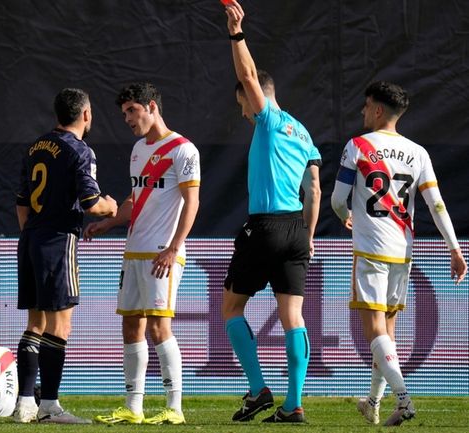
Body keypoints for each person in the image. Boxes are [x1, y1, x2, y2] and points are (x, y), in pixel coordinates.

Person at [330, 81, 467, 426]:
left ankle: (404, 399)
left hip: (370, 248)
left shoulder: (357, 146)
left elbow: (336, 199)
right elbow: (436, 205)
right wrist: (454, 248)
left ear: (378, 110)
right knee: (387, 331)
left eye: (365, 105)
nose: (362, 111)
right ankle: (373, 402)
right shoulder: (418, 152)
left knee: (373, 331)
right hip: (403, 251)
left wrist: (346, 216)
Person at [219, 1, 322, 424]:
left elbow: (245, 73)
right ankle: (293, 405)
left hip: (265, 226)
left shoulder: (270, 120)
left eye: (242, 103)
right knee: (292, 315)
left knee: (231, 308)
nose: (243, 111)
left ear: (253, 95)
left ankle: (258, 389)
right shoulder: (303, 131)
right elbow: (313, 187)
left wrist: (236, 33)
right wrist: (310, 236)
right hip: (297, 228)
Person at [86, 82, 201, 425]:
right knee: (131, 327)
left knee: (159, 328)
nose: (127, 119)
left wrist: (174, 247)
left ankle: (174, 407)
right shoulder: (138, 150)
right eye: (124, 114)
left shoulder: (183, 149)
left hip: (161, 253)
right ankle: (133, 407)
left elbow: (192, 201)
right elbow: (135, 199)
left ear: (151, 107)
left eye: (132, 111)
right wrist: (109, 224)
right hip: (134, 250)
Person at [13, 88, 118, 424]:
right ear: (85, 115)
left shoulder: (35, 147)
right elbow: (90, 202)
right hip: (58, 240)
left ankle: (25, 404)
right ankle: (49, 407)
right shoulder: (80, 151)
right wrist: (112, 209)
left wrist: (33, 233)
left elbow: (21, 202)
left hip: (30, 238)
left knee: (35, 323)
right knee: (60, 325)